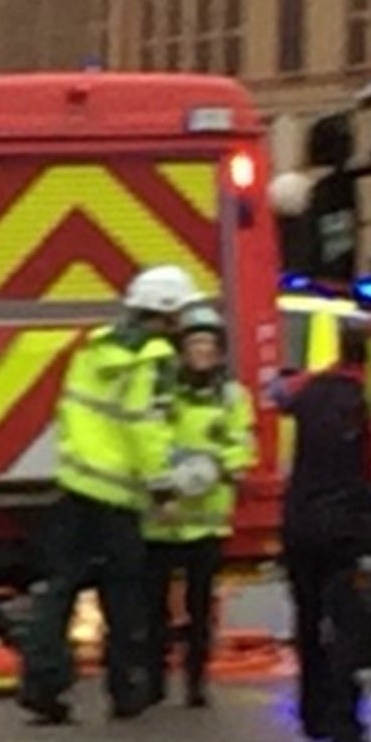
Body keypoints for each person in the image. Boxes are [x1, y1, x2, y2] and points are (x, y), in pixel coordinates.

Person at [17, 264, 200, 725]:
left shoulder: (95, 346)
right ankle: (127, 690)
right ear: (165, 312)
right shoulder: (154, 359)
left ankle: (42, 685)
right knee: (124, 596)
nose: (184, 323)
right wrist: (162, 487)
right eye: (180, 313)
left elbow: (75, 411)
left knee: (58, 590)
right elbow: (146, 427)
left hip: (75, 484)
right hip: (118, 495)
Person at [143, 302, 258, 708]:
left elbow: (241, 443)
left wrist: (219, 468)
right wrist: (165, 487)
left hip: (207, 521)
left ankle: (195, 682)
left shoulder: (231, 396)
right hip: (162, 518)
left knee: (200, 608)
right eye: (195, 345)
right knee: (153, 609)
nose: (202, 353)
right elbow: (149, 441)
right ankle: (154, 681)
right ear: (182, 350)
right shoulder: (163, 393)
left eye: (209, 346)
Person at [275, 321, 371, 742]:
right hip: (348, 527)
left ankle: (312, 716)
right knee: (348, 626)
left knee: (309, 621)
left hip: (300, 523)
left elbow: (280, 394)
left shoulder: (309, 390)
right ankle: (345, 723)